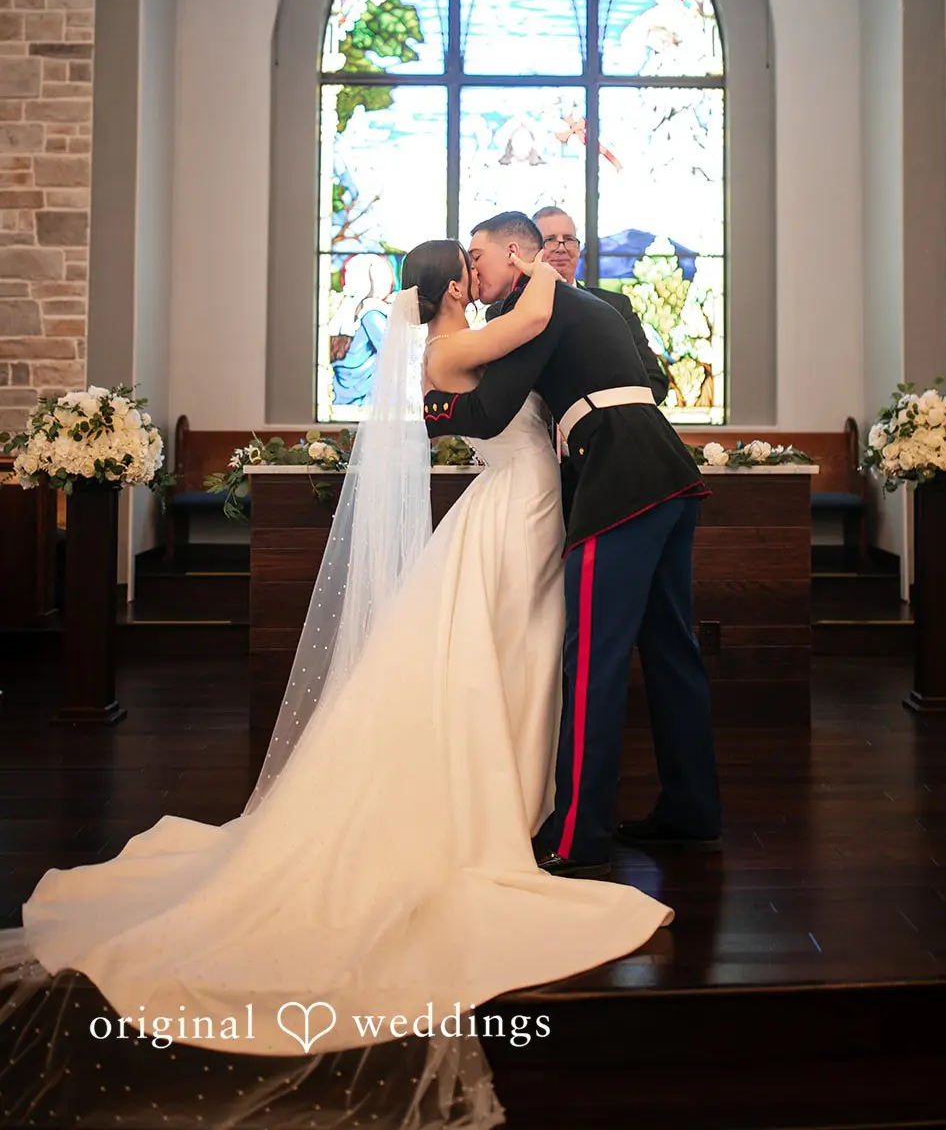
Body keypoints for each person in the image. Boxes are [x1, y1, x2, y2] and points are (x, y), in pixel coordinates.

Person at [0, 240, 673, 1123]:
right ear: (453, 286)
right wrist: (541, 261)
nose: (484, 272)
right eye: (472, 265)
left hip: (528, 501)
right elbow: (536, 331)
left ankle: (519, 785)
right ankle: (499, 794)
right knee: (503, 649)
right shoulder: (459, 342)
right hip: (518, 506)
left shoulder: (469, 339)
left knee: (511, 651)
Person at [425, 211, 723, 881]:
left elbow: (489, 411)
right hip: (664, 474)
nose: (472, 272)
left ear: (512, 254)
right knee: (672, 650)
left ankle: (581, 835)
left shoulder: (542, 300)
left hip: (618, 483)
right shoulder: (583, 302)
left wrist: (421, 409)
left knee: (591, 661)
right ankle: (691, 810)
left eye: (476, 257)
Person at [531, 206, 669, 405]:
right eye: (550, 240)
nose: (561, 247)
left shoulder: (616, 306)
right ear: (533, 250)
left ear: (578, 248)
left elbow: (654, 381)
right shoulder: (511, 311)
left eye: (569, 239)